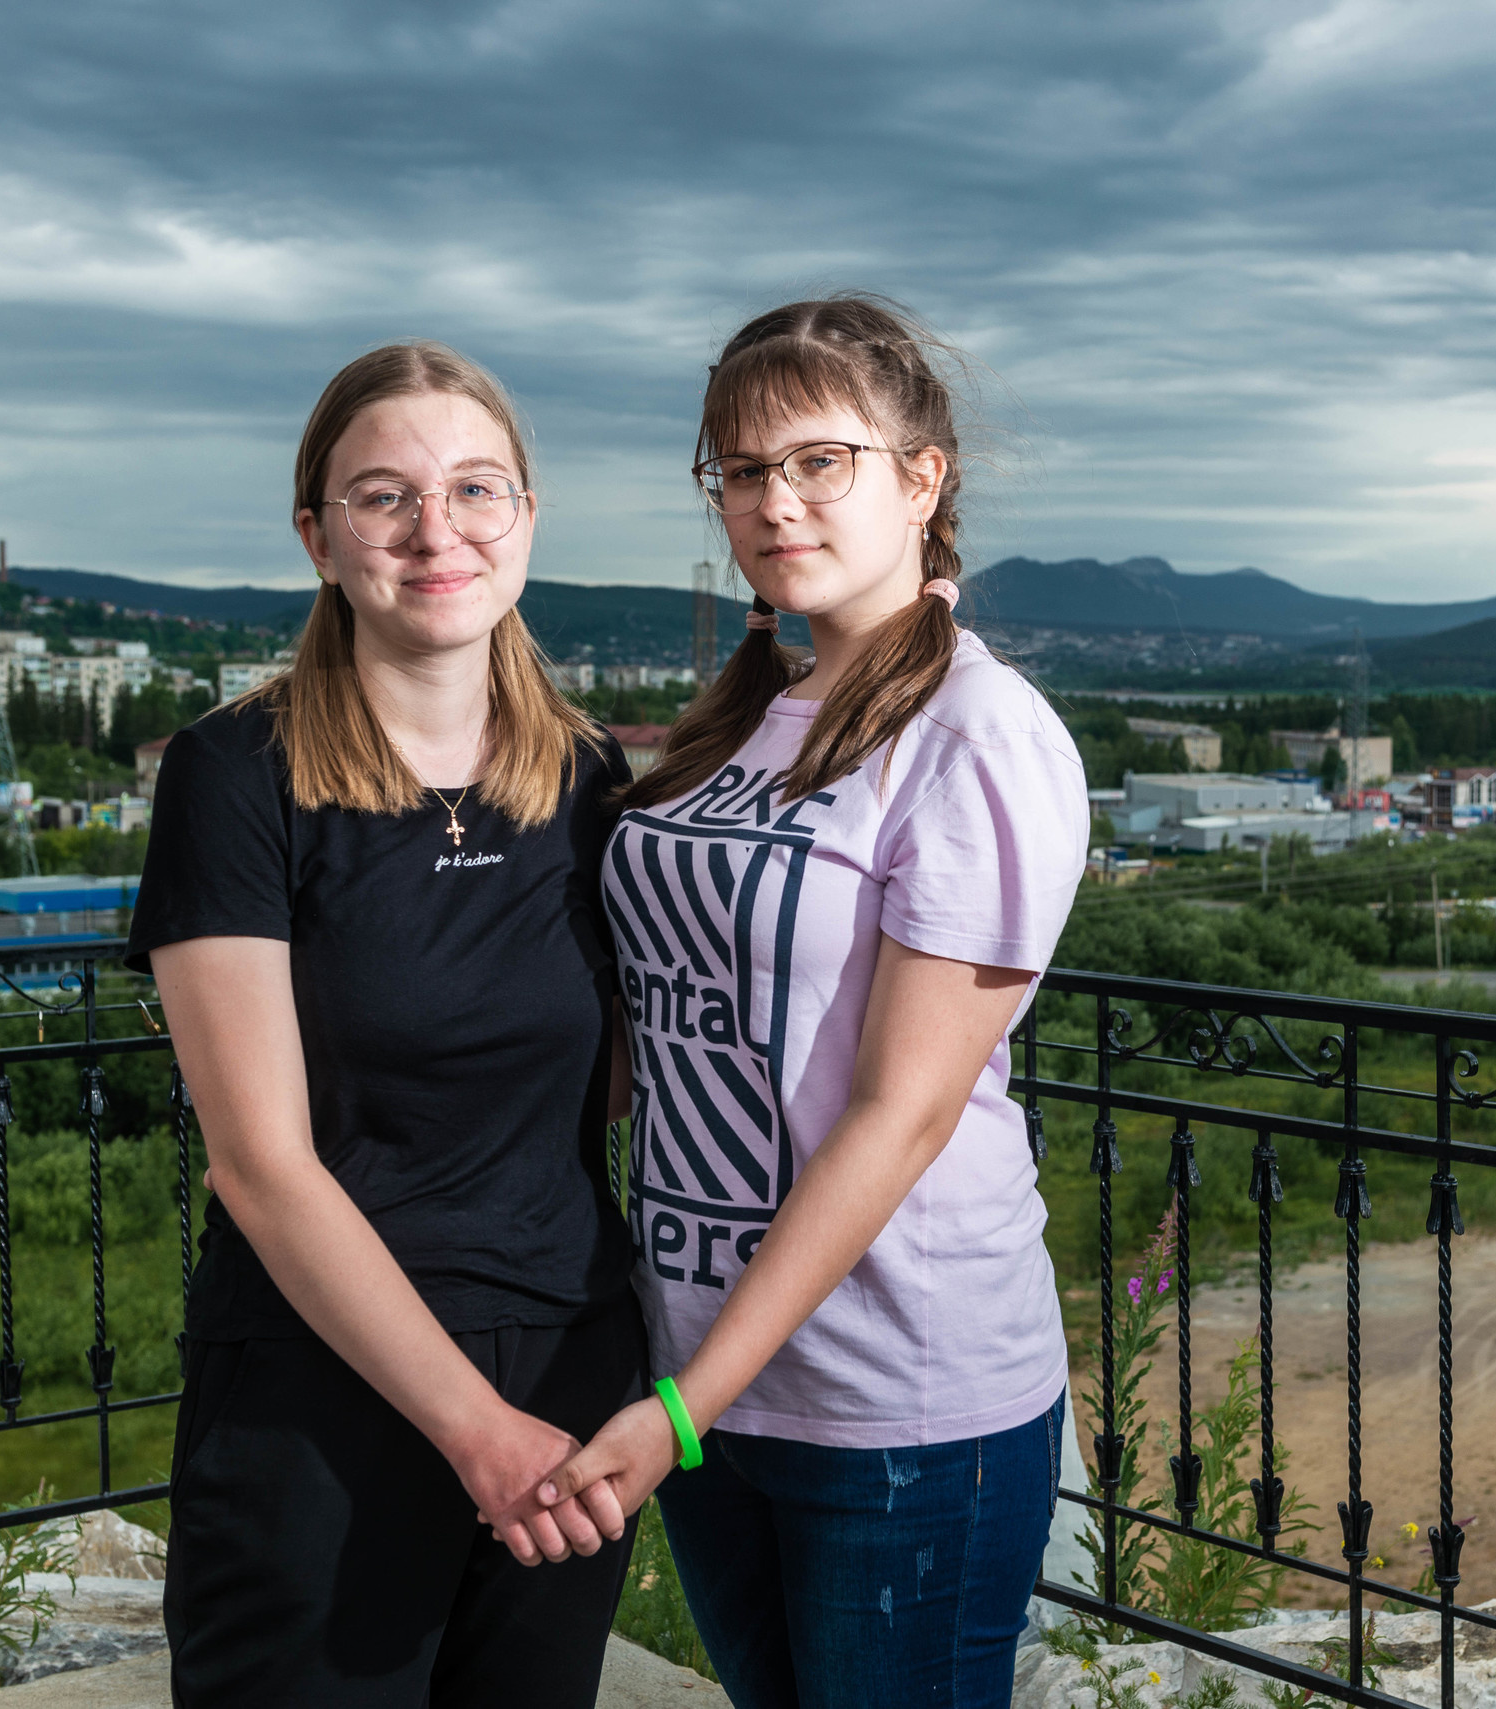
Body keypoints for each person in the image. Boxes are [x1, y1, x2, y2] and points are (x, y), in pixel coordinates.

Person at [541, 295, 1089, 1708]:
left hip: (897, 1398)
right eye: (738, 470)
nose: (773, 501)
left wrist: (683, 1405)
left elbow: (901, 1115)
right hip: (715, 1373)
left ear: (924, 475)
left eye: (817, 461)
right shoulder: (743, 713)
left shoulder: (979, 733)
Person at [129, 341, 642, 1707]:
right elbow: (261, 1163)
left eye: (478, 489)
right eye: (383, 496)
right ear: (317, 532)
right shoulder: (233, 774)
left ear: (527, 516)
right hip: (321, 1388)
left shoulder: (592, 777)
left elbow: (614, 1085)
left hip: (570, 1373)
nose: (437, 532)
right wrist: (474, 1428)